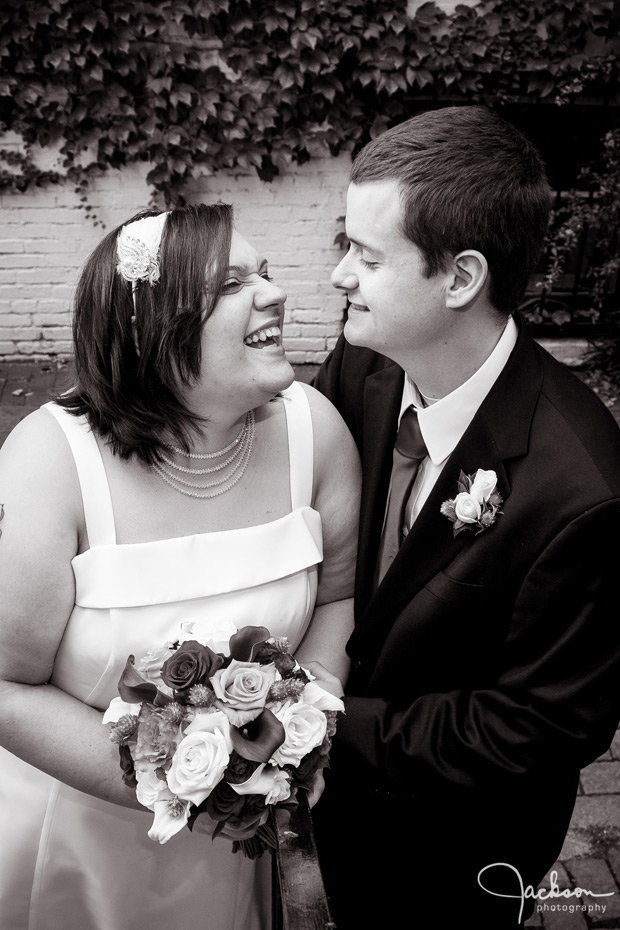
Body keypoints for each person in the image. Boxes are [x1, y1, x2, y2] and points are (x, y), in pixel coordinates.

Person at [0, 203, 361, 930]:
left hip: (238, 854)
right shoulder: (49, 463)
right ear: (150, 327)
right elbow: (6, 686)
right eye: (232, 284)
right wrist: (191, 788)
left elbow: (338, 599)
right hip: (71, 843)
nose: (276, 294)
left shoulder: (314, 429)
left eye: (266, 272)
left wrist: (295, 737)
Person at [311, 106, 620, 929]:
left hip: (456, 842)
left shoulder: (582, 489)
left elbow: (544, 724)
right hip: (331, 812)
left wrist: (328, 724)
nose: (341, 275)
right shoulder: (362, 362)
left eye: (367, 256)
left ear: (459, 278)